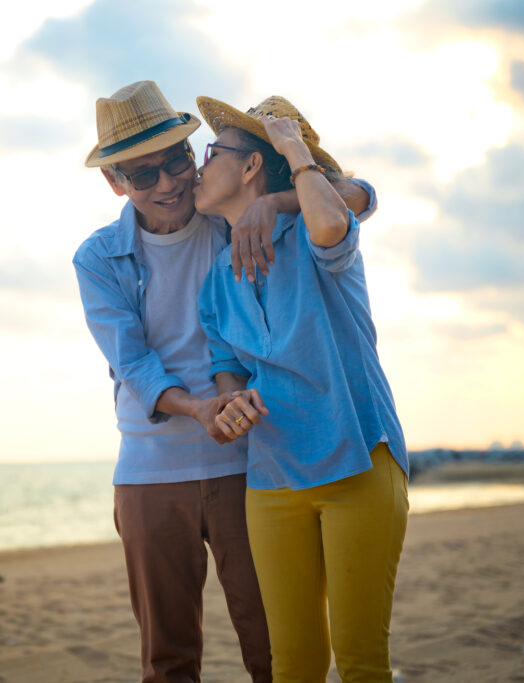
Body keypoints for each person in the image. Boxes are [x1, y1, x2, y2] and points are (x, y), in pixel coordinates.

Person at [72, 81, 378, 683]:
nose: (166, 183)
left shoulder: (230, 220)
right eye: (142, 175)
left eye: (176, 161)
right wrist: (201, 408)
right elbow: (132, 364)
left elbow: (360, 198)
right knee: (169, 660)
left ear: (192, 152)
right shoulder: (99, 258)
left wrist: (275, 203)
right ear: (115, 184)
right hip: (151, 472)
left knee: (274, 649)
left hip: (251, 465)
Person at [194, 94, 409, 683]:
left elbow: (342, 214)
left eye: (211, 152)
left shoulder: (314, 234)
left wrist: (291, 158)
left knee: (362, 660)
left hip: (358, 463)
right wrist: (232, 396)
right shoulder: (215, 281)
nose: (197, 165)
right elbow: (225, 363)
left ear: (250, 167)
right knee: (293, 664)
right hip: (272, 479)